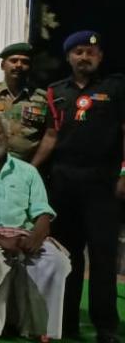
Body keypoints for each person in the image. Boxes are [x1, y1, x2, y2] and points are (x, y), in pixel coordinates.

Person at [31, 31, 123, 343]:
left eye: (90, 52)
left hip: (104, 185)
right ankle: (65, 321)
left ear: (100, 57)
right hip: (63, 184)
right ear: (69, 56)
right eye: (78, 52)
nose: (84, 57)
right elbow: (51, 137)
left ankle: (106, 326)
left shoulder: (116, 87)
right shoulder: (55, 92)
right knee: (66, 256)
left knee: (102, 256)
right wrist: (30, 170)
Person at [0, 112, 70, 339]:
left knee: (57, 261)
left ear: (8, 136)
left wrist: (37, 237)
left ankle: (41, 328)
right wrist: (0, 239)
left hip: (25, 234)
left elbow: (42, 211)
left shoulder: (28, 171)